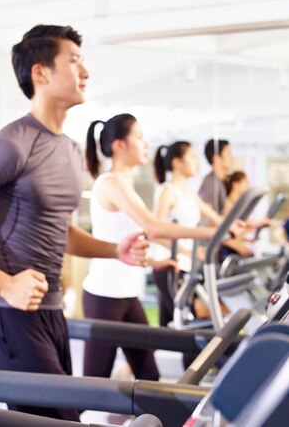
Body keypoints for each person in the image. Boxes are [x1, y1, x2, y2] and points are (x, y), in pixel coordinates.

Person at [0, 25, 148, 421]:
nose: (86, 72)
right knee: (59, 419)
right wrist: (3, 283)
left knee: (58, 416)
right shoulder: (10, 145)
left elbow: (62, 232)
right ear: (40, 73)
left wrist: (114, 250)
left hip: (51, 310)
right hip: (6, 314)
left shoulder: (72, 151)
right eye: (74, 60)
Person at [83, 114, 243, 381]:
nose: (146, 143)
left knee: (149, 376)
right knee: (94, 381)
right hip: (104, 295)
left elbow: (136, 235)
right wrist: (216, 233)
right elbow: (154, 227)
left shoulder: (126, 186)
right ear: (119, 145)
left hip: (128, 293)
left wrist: (155, 261)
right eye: (139, 137)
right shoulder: (109, 183)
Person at [152, 141, 224, 326]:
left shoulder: (189, 194)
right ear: (177, 162)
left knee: (175, 324)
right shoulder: (167, 192)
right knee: (185, 323)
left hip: (186, 267)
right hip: (170, 266)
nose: (197, 162)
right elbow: (155, 233)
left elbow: (217, 218)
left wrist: (244, 225)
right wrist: (186, 251)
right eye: (192, 156)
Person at [198, 138, 235, 215]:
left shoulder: (220, 181)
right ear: (216, 158)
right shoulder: (210, 182)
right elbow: (205, 218)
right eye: (228, 153)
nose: (232, 158)